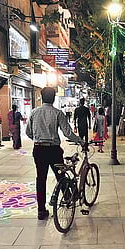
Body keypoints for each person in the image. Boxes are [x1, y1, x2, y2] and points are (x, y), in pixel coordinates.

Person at [26, 87, 83, 220]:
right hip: (53, 150)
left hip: (39, 150)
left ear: (42, 97)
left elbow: (28, 132)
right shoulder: (58, 113)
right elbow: (67, 132)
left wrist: (38, 139)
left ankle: (41, 210)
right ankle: (68, 197)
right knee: (61, 176)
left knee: (41, 179)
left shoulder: (34, 112)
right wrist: (80, 141)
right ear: (53, 98)